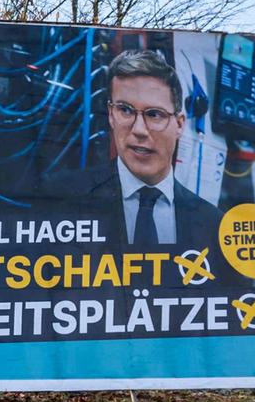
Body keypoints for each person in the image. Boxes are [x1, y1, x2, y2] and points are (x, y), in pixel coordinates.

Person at [35, 48, 222, 256]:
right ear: (111, 115)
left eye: (154, 114)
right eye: (125, 110)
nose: (139, 130)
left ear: (179, 125)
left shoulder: (214, 226)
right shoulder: (57, 197)